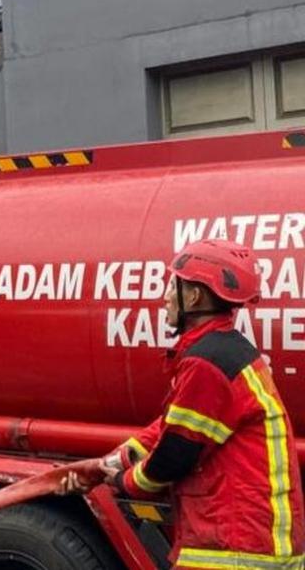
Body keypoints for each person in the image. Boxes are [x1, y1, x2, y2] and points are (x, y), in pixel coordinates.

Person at [60, 239, 305, 568]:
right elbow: (173, 426)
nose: (165, 298)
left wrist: (119, 482)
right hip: (250, 543)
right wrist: (114, 461)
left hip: (235, 549)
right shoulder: (225, 352)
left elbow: (173, 458)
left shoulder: (207, 364)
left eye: (172, 286)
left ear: (194, 297)